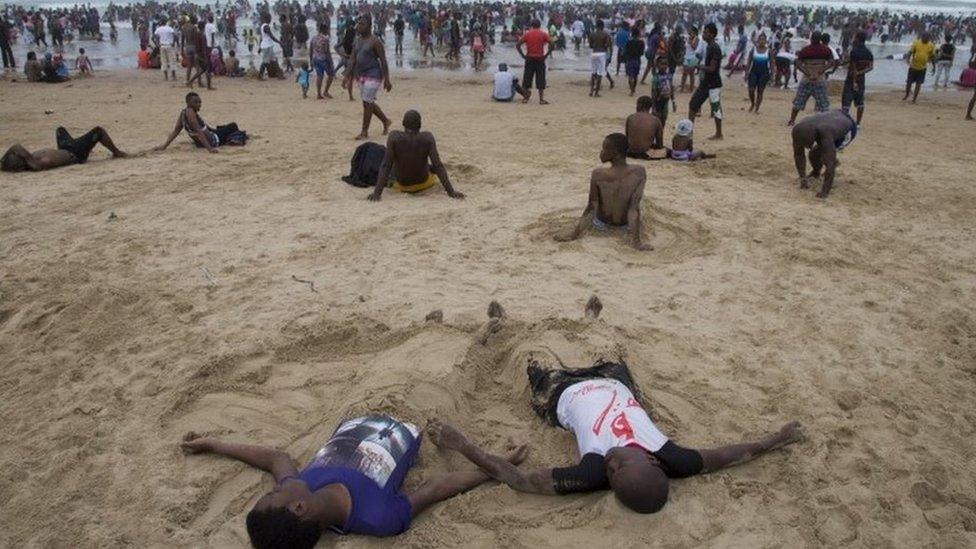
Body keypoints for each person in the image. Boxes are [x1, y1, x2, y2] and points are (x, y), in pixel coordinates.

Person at [428, 310, 802, 513]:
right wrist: (777, 439)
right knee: (607, 345)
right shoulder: (673, 458)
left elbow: (522, 480)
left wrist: (463, 445)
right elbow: (727, 456)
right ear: (654, 464)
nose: (611, 465)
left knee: (532, 357)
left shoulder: (592, 472)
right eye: (621, 467)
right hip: (616, 381)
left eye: (612, 476)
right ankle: (591, 319)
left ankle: (504, 326)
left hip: (562, 393)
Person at [181, 414, 527, 548]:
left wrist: (213, 444)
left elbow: (276, 458)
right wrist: (493, 465)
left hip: (357, 415)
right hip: (407, 421)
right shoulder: (378, 518)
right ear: (298, 508)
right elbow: (436, 488)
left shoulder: (303, 486)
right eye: (274, 493)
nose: (277, 485)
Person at [554, 133, 651, 251]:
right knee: (642, 204)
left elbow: (591, 208)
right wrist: (637, 242)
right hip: (625, 226)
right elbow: (634, 208)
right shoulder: (639, 172)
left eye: (604, 149)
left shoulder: (598, 174)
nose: (601, 152)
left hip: (601, 225)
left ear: (614, 152)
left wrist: (574, 234)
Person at [368, 110, 464, 201]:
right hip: (424, 183)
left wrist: (377, 193)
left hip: (401, 184)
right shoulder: (428, 138)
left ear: (403, 123)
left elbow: (386, 165)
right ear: (420, 125)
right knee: (429, 166)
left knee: (377, 155)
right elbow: (437, 165)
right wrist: (451, 192)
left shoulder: (394, 137)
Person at [344, 14, 393, 140]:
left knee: (367, 101)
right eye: (358, 24)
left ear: (370, 26)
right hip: (361, 75)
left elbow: (383, 61)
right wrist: (347, 75)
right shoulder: (357, 40)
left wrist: (387, 79)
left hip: (374, 74)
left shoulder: (375, 41)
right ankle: (386, 121)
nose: (359, 26)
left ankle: (364, 132)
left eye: (362, 24)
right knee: (367, 102)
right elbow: (353, 59)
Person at [791, 110, 858, 199]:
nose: (806, 147)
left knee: (825, 157)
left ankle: (831, 167)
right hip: (834, 116)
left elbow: (830, 164)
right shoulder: (797, 130)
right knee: (813, 155)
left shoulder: (825, 132)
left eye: (808, 144)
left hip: (848, 129)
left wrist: (825, 192)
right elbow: (798, 154)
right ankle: (816, 172)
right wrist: (802, 177)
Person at [2, 126, 129, 172]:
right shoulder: (38, 164)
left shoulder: (32, 160)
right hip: (76, 153)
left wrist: (3, 163)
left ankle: (86, 146)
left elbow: (18, 150)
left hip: (65, 148)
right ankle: (117, 153)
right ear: (23, 160)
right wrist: (3, 160)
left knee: (60, 130)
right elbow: (17, 147)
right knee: (99, 131)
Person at [155, 92, 248, 153]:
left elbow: (176, 131)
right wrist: (210, 149)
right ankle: (233, 139)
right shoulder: (190, 113)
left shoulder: (183, 113)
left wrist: (164, 146)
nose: (199, 104)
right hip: (213, 140)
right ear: (188, 103)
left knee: (221, 128)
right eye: (196, 102)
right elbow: (198, 131)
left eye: (200, 102)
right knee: (233, 125)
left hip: (201, 142)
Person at [788, 31, 833, 126]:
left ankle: (792, 120)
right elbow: (831, 62)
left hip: (807, 79)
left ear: (811, 38)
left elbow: (798, 63)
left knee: (798, 102)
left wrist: (806, 72)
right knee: (823, 104)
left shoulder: (805, 50)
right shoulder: (826, 50)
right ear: (820, 39)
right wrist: (821, 71)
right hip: (819, 79)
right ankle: (825, 122)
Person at [689, 23, 723, 140]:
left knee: (715, 108)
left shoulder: (714, 48)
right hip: (708, 82)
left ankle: (719, 133)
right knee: (694, 105)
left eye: (706, 32)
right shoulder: (709, 46)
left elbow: (712, 68)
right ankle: (690, 131)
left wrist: (698, 66)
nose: (703, 34)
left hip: (712, 83)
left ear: (712, 34)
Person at [516, 19, 552, 105]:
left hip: (529, 58)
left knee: (527, 78)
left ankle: (525, 98)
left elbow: (518, 45)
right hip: (540, 58)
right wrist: (546, 54)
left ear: (531, 25)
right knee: (541, 78)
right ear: (539, 25)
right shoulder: (543, 34)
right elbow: (552, 43)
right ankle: (541, 99)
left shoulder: (527, 34)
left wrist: (523, 55)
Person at [841, 32, 873, 125]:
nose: (853, 39)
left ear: (858, 39)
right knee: (860, 101)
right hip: (862, 79)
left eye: (854, 37)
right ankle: (858, 123)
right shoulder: (868, 52)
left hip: (851, 79)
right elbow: (871, 67)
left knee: (846, 101)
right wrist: (861, 73)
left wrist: (855, 80)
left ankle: (844, 122)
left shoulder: (854, 51)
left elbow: (854, 68)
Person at [904, 32, 936, 103]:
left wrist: (934, 67)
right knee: (909, 82)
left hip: (923, 68)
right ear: (922, 37)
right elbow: (910, 52)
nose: (926, 39)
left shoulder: (931, 45)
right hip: (913, 66)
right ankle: (907, 94)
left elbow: (932, 57)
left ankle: (914, 99)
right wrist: (907, 60)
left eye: (927, 37)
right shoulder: (916, 43)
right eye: (924, 37)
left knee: (918, 84)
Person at [744, 34, 771, 113]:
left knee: (760, 91)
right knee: (751, 90)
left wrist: (772, 75)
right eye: (760, 39)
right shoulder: (753, 50)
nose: (762, 41)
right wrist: (746, 72)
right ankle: (752, 103)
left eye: (763, 40)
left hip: (764, 73)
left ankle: (757, 108)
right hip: (753, 72)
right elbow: (749, 62)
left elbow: (772, 64)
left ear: (766, 41)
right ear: (758, 41)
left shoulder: (769, 51)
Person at [309, 23, 335, 100]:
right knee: (331, 75)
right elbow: (327, 52)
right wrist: (331, 62)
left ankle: (318, 94)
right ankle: (326, 91)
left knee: (319, 76)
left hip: (315, 58)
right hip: (324, 59)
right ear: (324, 30)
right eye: (327, 29)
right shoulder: (325, 39)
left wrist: (311, 60)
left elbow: (310, 50)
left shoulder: (313, 38)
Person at [588, 19, 613, 97]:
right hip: (602, 53)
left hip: (594, 53)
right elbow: (607, 45)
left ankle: (591, 90)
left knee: (593, 73)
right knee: (600, 73)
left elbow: (590, 45)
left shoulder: (592, 34)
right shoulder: (605, 34)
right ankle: (596, 92)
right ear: (602, 26)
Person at [650, 56, 676, 126]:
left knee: (663, 120)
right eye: (662, 64)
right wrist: (653, 107)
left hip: (666, 102)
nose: (663, 66)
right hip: (658, 102)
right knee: (656, 121)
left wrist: (673, 102)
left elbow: (671, 88)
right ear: (657, 65)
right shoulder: (656, 78)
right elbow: (653, 93)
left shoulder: (669, 76)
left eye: (665, 64)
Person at [258, 13, 282, 80]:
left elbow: (262, 38)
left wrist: (260, 47)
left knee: (274, 60)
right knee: (265, 62)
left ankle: (280, 75)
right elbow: (271, 36)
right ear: (266, 19)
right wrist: (279, 42)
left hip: (267, 45)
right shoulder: (266, 26)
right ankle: (260, 75)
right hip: (267, 46)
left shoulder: (263, 26)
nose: (270, 19)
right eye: (269, 18)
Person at [623, 27, 644, 96]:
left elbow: (626, 52)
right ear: (638, 34)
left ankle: (631, 90)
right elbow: (641, 53)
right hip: (637, 60)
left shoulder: (629, 42)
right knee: (635, 76)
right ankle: (633, 88)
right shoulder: (641, 42)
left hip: (630, 60)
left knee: (630, 76)